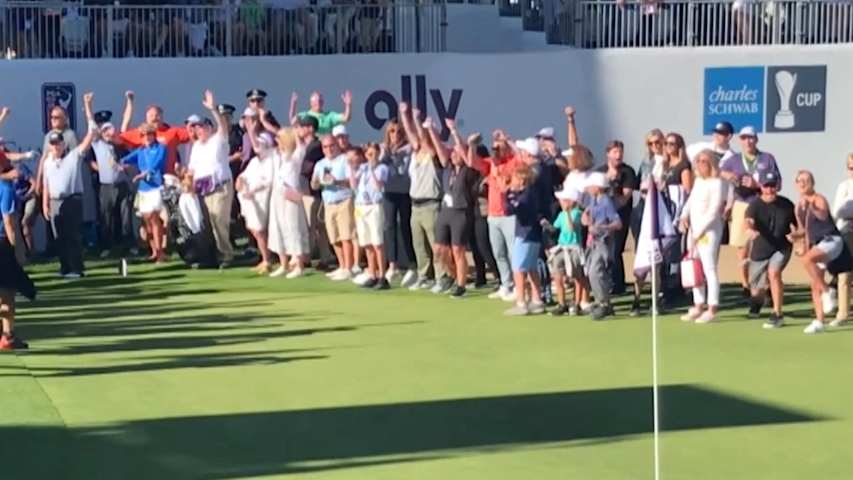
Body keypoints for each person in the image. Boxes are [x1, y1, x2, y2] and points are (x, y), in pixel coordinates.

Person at [721, 126, 781, 297]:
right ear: (740, 140)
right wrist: (728, 176)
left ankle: (766, 284)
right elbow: (718, 171)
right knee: (743, 248)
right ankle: (745, 285)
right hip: (742, 204)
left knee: (764, 245)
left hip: (763, 204)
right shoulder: (734, 159)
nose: (748, 141)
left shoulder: (767, 158)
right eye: (744, 138)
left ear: (756, 139)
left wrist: (757, 185)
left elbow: (778, 183)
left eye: (751, 138)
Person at [42, 92, 97, 278]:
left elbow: (92, 134)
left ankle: (77, 269)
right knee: (59, 238)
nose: (55, 146)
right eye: (53, 144)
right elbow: (46, 182)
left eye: (58, 143)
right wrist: (44, 202)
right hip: (55, 201)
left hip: (72, 200)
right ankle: (65, 268)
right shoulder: (49, 160)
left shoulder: (73, 156)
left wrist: (88, 107)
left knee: (73, 236)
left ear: (64, 144)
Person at [398, 102, 446, 291]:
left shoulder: (433, 156)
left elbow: (424, 141)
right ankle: (424, 275)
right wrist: (404, 116)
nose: (418, 141)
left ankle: (442, 277)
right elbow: (413, 137)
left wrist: (417, 120)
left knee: (436, 244)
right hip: (415, 205)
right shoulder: (415, 155)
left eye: (422, 137)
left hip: (431, 205)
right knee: (419, 244)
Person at [791, 170, 845, 334]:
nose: (802, 183)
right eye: (799, 180)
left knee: (807, 260)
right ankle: (819, 320)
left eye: (806, 180)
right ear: (796, 184)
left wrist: (813, 207)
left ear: (812, 183)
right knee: (815, 285)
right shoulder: (798, 206)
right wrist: (796, 236)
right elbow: (804, 230)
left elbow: (823, 215)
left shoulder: (818, 199)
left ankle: (828, 291)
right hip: (817, 245)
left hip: (831, 241)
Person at [186, 90, 236, 268]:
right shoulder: (197, 146)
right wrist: (187, 183)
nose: (198, 131)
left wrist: (213, 109)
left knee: (219, 222)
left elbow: (222, 127)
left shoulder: (218, 140)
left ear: (209, 128)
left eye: (201, 127)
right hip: (202, 190)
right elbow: (192, 169)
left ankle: (226, 254)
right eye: (196, 128)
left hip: (220, 187)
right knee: (206, 224)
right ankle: (210, 257)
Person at [430, 118, 478, 298]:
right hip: (446, 212)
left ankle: (461, 285)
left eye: (458, 152)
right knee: (439, 250)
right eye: (453, 152)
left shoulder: (469, 171)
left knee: (458, 249)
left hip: (461, 212)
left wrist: (454, 131)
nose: (454, 154)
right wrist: (431, 129)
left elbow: (467, 157)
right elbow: (440, 149)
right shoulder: (447, 168)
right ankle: (452, 275)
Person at [678, 150, 727, 324]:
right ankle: (698, 304)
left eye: (705, 161)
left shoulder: (717, 183)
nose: (701, 164)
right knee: (694, 266)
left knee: (709, 268)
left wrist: (699, 231)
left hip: (709, 232)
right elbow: (690, 202)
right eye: (698, 161)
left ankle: (712, 308)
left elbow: (714, 211)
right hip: (694, 231)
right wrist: (684, 216)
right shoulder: (698, 181)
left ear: (712, 163)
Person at [744, 171, 796, 329]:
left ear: (777, 186)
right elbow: (748, 221)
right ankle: (757, 302)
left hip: (781, 248)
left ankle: (777, 314)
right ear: (761, 187)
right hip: (760, 250)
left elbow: (798, 225)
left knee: (774, 274)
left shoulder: (787, 204)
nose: (770, 190)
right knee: (756, 289)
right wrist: (750, 230)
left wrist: (797, 236)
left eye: (773, 186)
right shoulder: (754, 205)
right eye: (766, 186)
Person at [0, 154, 35, 350]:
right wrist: (16, 251)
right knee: (7, 292)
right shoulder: (5, 189)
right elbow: (9, 223)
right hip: (2, 244)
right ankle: (8, 335)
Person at [120, 123, 168, 262]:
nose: (146, 137)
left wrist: (144, 173)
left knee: (154, 217)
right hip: (143, 189)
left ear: (154, 135)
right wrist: (119, 164)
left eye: (149, 134)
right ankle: (154, 251)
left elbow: (156, 165)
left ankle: (160, 252)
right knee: (146, 221)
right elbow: (126, 159)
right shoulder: (140, 150)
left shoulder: (161, 148)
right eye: (144, 135)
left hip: (155, 187)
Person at [311, 134, 356, 281]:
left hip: (344, 200)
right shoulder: (320, 164)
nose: (329, 149)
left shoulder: (344, 160)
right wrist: (317, 182)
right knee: (334, 237)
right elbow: (314, 184)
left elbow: (351, 181)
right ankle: (342, 266)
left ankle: (349, 267)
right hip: (329, 202)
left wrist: (336, 182)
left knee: (346, 236)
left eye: (332, 146)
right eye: (325, 147)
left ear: (337, 145)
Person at [267, 127, 310, 279]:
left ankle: (299, 265)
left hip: (291, 195)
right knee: (278, 227)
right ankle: (283, 264)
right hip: (277, 195)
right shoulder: (279, 156)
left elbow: (301, 147)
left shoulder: (295, 156)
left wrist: (297, 134)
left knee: (293, 227)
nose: (277, 141)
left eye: (279, 138)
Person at [595, 140, 636, 296]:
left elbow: (624, 198)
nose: (618, 155)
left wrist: (612, 187)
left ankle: (618, 284)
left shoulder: (627, 172)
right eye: (615, 152)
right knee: (602, 251)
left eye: (620, 152)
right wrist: (607, 179)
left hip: (620, 218)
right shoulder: (600, 172)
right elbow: (594, 194)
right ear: (608, 154)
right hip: (600, 220)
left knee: (615, 250)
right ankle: (604, 282)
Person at [380, 118, 417, 287]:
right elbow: (378, 167)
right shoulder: (384, 149)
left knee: (405, 226)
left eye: (398, 132)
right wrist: (385, 153)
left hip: (404, 191)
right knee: (389, 226)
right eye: (392, 131)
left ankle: (412, 264)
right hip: (388, 192)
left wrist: (396, 156)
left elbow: (403, 171)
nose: (395, 135)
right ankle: (392, 264)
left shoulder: (408, 149)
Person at [504, 165, 545, 316]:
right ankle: (537, 300)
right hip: (533, 234)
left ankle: (521, 302)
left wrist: (508, 194)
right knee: (531, 268)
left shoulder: (525, 196)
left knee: (518, 269)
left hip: (525, 235)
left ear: (522, 180)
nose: (512, 180)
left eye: (514, 178)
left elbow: (509, 209)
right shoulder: (530, 194)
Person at [119, 91, 192, 175]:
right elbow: (120, 137)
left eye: (157, 115)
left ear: (162, 117)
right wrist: (130, 102)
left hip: (169, 178)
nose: (154, 118)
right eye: (151, 116)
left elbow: (194, 135)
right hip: (148, 179)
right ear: (146, 118)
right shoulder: (141, 133)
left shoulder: (173, 131)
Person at [485, 129, 521, 302]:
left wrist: (508, 140)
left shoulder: (512, 162)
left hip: (508, 215)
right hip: (492, 216)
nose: (496, 152)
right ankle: (506, 284)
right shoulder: (491, 164)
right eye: (494, 149)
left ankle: (518, 285)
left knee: (513, 253)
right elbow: (471, 161)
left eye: (499, 149)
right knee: (499, 253)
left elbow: (522, 159)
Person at [349, 143, 391, 290]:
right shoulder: (362, 168)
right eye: (368, 154)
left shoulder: (382, 168)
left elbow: (379, 186)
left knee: (377, 243)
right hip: (361, 206)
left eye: (373, 154)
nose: (370, 157)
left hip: (374, 206)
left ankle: (382, 276)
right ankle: (372, 274)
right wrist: (352, 167)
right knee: (366, 242)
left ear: (378, 154)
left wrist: (372, 169)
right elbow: (353, 185)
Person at [297, 115, 336, 270]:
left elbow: (307, 168)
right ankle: (325, 256)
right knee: (318, 227)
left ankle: (310, 257)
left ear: (310, 129)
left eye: (302, 126)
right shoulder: (306, 146)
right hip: (306, 192)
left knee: (315, 226)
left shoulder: (315, 146)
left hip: (314, 193)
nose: (299, 129)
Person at [582, 172, 622, 320]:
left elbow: (617, 223)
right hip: (594, 242)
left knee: (595, 271)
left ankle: (604, 304)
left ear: (598, 187)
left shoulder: (606, 202)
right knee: (594, 272)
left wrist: (602, 228)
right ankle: (602, 302)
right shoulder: (594, 200)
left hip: (604, 242)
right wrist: (585, 218)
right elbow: (586, 213)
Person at [91, 122, 133, 258]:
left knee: (126, 216)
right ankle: (107, 246)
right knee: (106, 217)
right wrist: (88, 106)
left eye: (111, 131)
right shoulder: (98, 145)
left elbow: (129, 160)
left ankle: (128, 245)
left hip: (122, 184)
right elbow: (92, 127)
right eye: (105, 132)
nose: (109, 134)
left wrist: (125, 166)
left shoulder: (120, 145)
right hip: (106, 186)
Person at [543, 188, 587, 316]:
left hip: (574, 249)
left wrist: (567, 213)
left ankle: (577, 304)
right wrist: (546, 225)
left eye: (563, 200)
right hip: (561, 248)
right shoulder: (561, 214)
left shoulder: (577, 213)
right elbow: (555, 228)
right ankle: (561, 304)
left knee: (577, 277)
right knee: (558, 276)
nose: (560, 203)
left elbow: (572, 227)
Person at [236, 131, 274, 274]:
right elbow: (244, 175)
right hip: (248, 200)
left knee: (260, 230)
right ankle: (265, 259)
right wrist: (240, 180)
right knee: (254, 230)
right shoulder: (254, 161)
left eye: (260, 144)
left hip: (262, 199)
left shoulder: (271, 161)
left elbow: (268, 181)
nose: (257, 146)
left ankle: (267, 260)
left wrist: (253, 191)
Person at [831, 153, 853, 325]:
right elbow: (838, 211)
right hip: (846, 233)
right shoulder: (843, 186)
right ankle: (842, 314)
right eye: (851, 167)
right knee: (844, 275)